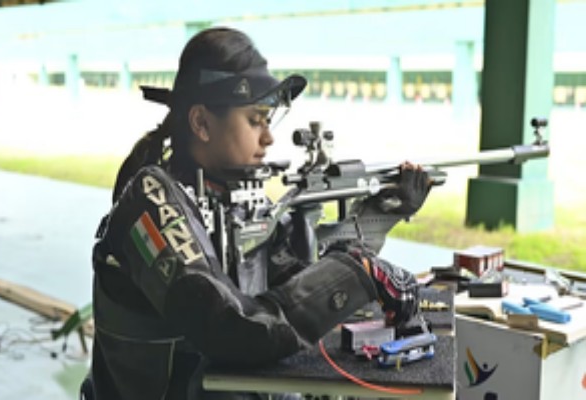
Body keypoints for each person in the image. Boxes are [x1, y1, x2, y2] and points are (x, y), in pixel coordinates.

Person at [84, 27, 432, 400]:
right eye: (255, 120)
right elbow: (229, 330)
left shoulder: (232, 197)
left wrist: (374, 220)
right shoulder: (149, 202)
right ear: (201, 123)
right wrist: (358, 270)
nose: (268, 137)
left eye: (268, 120)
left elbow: (296, 298)